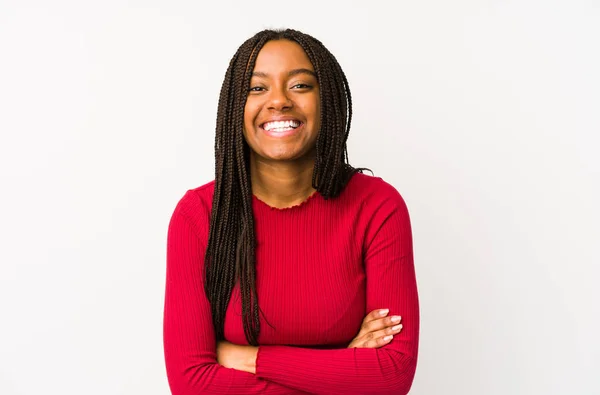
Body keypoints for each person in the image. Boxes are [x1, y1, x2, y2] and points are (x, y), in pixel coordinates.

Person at [163, 28, 420, 394]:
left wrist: (247, 357)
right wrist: (343, 369)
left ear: (327, 99)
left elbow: (392, 374)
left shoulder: (377, 207)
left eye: (300, 86)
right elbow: (191, 383)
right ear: (235, 107)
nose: (279, 101)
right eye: (257, 88)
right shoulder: (200, 215)